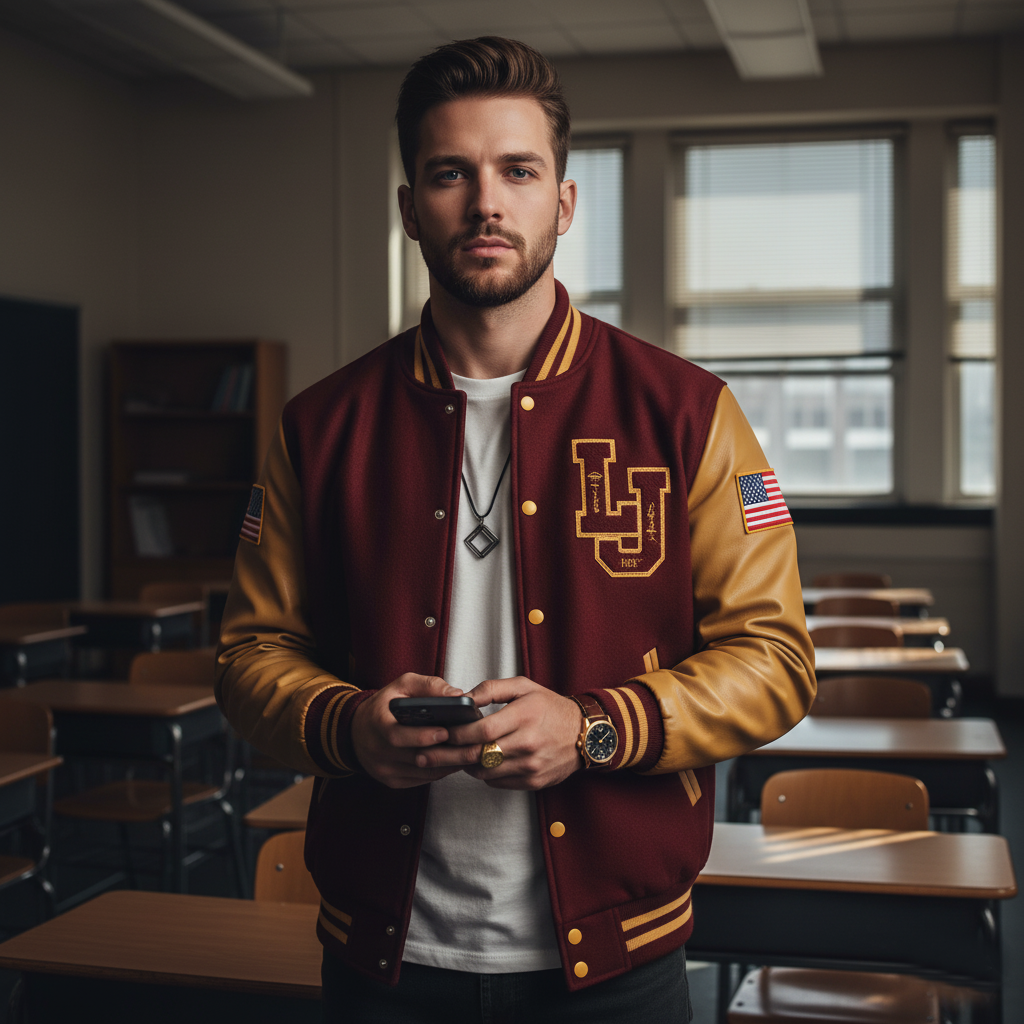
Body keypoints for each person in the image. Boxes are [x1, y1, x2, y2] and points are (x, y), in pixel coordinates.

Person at [216, 35, 815, 1024]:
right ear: (410, 207)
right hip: (384, 956)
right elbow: (250, 657)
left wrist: (591, 728)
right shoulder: (319, 429)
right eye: (450, 173)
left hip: (618, 962)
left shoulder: (688, 411)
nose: (486, 202)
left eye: (518, 171)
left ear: (562, 203)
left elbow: (775, 658)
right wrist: (349, 727)